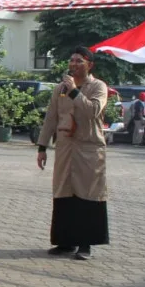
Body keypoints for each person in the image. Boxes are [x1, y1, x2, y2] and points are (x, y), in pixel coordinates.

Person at [37, 46, 109, 260]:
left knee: (87, 195)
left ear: (89, 65)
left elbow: (92, 111)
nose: (74, 64)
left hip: (89, 148)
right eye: (72, 60)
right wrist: (42, 147)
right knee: (64, 192)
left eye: (79, 60)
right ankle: (65, 242)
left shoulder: (98, 86)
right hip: (65, 148)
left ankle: (85, 245)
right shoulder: (60, 88)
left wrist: (75, 91)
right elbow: (51, 117)